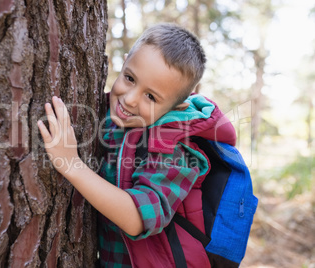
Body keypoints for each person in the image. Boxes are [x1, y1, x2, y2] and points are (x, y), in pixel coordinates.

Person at [38, 23, 236, 267]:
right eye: (130, 78)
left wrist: (71, 165)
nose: (129, 99)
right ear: (124, 63)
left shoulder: (176, 150)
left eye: (151, 97)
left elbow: (139, 218)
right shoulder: (108, 115)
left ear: (177, 106)